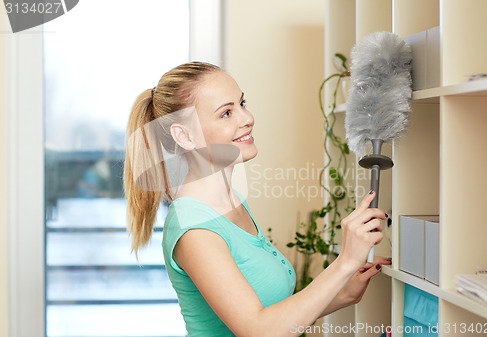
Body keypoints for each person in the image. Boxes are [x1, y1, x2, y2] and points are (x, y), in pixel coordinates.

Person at [124, 61, 391, 337]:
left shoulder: (232, 202)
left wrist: (344, 290)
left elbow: (270, 312)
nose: (246, 117)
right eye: (226, 113)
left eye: (242, 103)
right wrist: (343, 262)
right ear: (185, 136)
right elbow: (259, 331)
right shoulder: (195, 229)